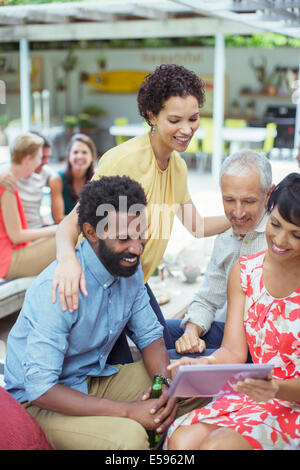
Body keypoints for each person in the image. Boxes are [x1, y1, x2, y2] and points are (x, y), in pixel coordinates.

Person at [4, 176, 208, 450]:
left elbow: (150, 336)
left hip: (94, 378)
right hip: (41, 401)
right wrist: (127, 411)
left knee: (195, 385)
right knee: (129, 438)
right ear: (91, 233)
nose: (136, 248)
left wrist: (165, 386)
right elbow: (40, 389)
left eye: (141, 234)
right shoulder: (58, 287)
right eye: (124, 238)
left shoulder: (129, 269)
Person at [51, 64, 230, 363]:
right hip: (99, 290)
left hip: (135, 286)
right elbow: (70, 225)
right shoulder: (125, 160)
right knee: (136, 371)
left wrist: (244, 216)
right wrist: (67, 261)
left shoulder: (178, 167)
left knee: (175, 352)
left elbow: (196, 226)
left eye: (194, 118)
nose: (187, 129)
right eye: (175, 120)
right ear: (151, 116)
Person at [164, 172, 300, 451]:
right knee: (181, 440)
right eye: (275, 224)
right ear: (268, 212)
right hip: (254, 395)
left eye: (296, 234)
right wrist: (203, 366)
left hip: (293, 403)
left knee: (217, 447)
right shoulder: (245, 271)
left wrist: (276, 388)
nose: (280, 240)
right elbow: (233, 352)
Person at [167, 149, 275, 359]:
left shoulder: (280, 236)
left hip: (266, 346)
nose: (238, 212)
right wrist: (191, 331)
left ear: (268, 194)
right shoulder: (226, 236)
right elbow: (208, 298)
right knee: (155, 334)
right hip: (231, 334)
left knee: (170, 360)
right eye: (229, 200)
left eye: (249, 201)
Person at [0, 132, 56, 280]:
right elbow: (17, 235)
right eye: (39, 158)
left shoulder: (6, 178)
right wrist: (57, 229)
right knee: (69, 237)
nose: (40, 163)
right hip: (8, 261)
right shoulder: (7, 185)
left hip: (11, 254)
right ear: (27, 159)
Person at [0, 130, 54, 228]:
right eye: (41, 157)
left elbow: (58, 177)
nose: (45, 162)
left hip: (37, 228)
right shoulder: (6, 178)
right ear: (28, 158)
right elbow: (17, 235)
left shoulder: (46, 173)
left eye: (48, 157)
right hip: (22, 235)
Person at [49, 133, 97, 224]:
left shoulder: (97, 179)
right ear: (69, 156)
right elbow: (58, 219)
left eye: (84, 152)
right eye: (75, 152)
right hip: (64, 233)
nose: (79, 156)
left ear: (92, 157)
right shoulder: (57, 179)